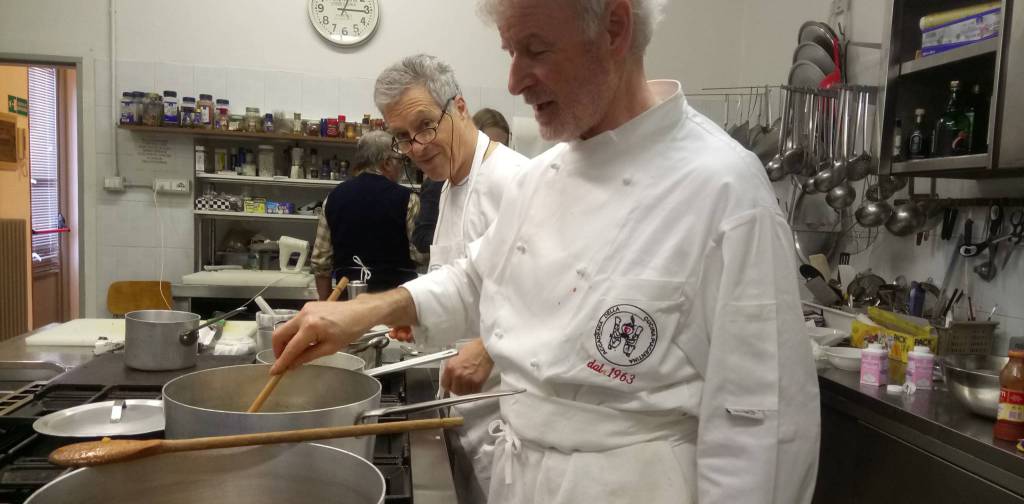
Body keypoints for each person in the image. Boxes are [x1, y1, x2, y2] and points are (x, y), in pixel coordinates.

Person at [275, 0, 820, 503]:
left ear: (614, 28)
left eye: (535, 50)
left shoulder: (724, 190)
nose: (513, 82)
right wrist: (359, 312)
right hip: (523, 479)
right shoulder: (545, 175)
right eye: (512, 52)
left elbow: (761, 427)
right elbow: (474, 277)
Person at [374, 53, 529, 500]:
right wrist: (422, 318)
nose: (416, 146)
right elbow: (468, 286)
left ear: (459, 107)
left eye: (425, 126)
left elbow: (561, 300)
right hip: (462, 410)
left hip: (508, 421)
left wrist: (489, 349)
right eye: (402, 137)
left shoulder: (513, 180)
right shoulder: (448, 186)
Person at [310, 131, 426, 299]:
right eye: (400, 161)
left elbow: (320, 262)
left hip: (348, 300)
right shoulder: (409, 199)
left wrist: (326, 303)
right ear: (387, 163)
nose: (402, 168)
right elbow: (419, 255)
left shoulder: (334, 197)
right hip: (395, 302)